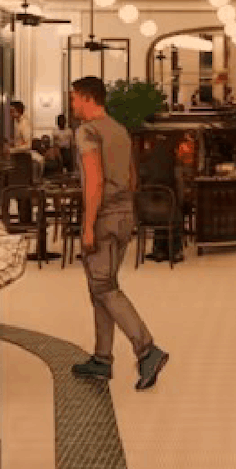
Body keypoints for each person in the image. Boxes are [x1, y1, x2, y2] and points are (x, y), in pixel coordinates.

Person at [68, 76, 170, 390]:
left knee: (104, 288)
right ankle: (101, 359)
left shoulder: (88, 131)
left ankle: (147, 350)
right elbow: (132, 176)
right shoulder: (120, 130)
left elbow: (95, 181)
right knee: (102, 287)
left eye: (73, 98)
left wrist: (88, 226)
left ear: (86, 97)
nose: (71, 104)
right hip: (125, 215)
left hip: (104, 218)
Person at [139, 134, 183, 263]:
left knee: (161, 208)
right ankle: (175, 251)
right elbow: (179, 180)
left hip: (146, 213)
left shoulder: (145, 159)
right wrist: (181, 199)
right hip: (168, 212)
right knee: (175, 209)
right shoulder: (173, 159)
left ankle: (159, 250)